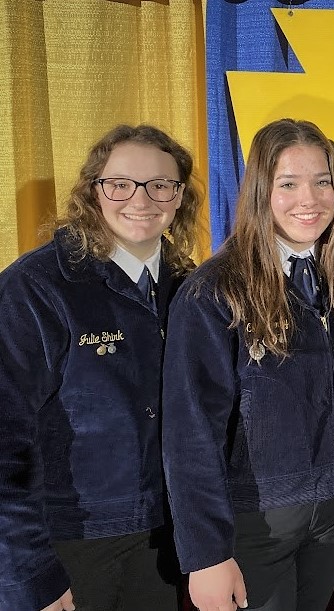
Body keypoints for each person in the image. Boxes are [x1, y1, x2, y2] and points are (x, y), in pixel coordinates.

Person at [162, 118, 334, 611]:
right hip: (256, 520)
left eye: (321, 182)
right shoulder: (214, 292)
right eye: (288, 184)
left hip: (333, 510)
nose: (308, 200)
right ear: (259, 191)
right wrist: (206, 554)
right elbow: (190, 432)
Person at [0, 124, 201, 611]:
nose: (140, 199)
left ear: (179, 198)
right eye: (120, 184)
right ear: (93, 191)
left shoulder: (189, 286)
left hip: (166, 539)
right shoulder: (36, 288)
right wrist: (29, 575)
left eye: (160, 185)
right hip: (69, 543)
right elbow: (6, 443)